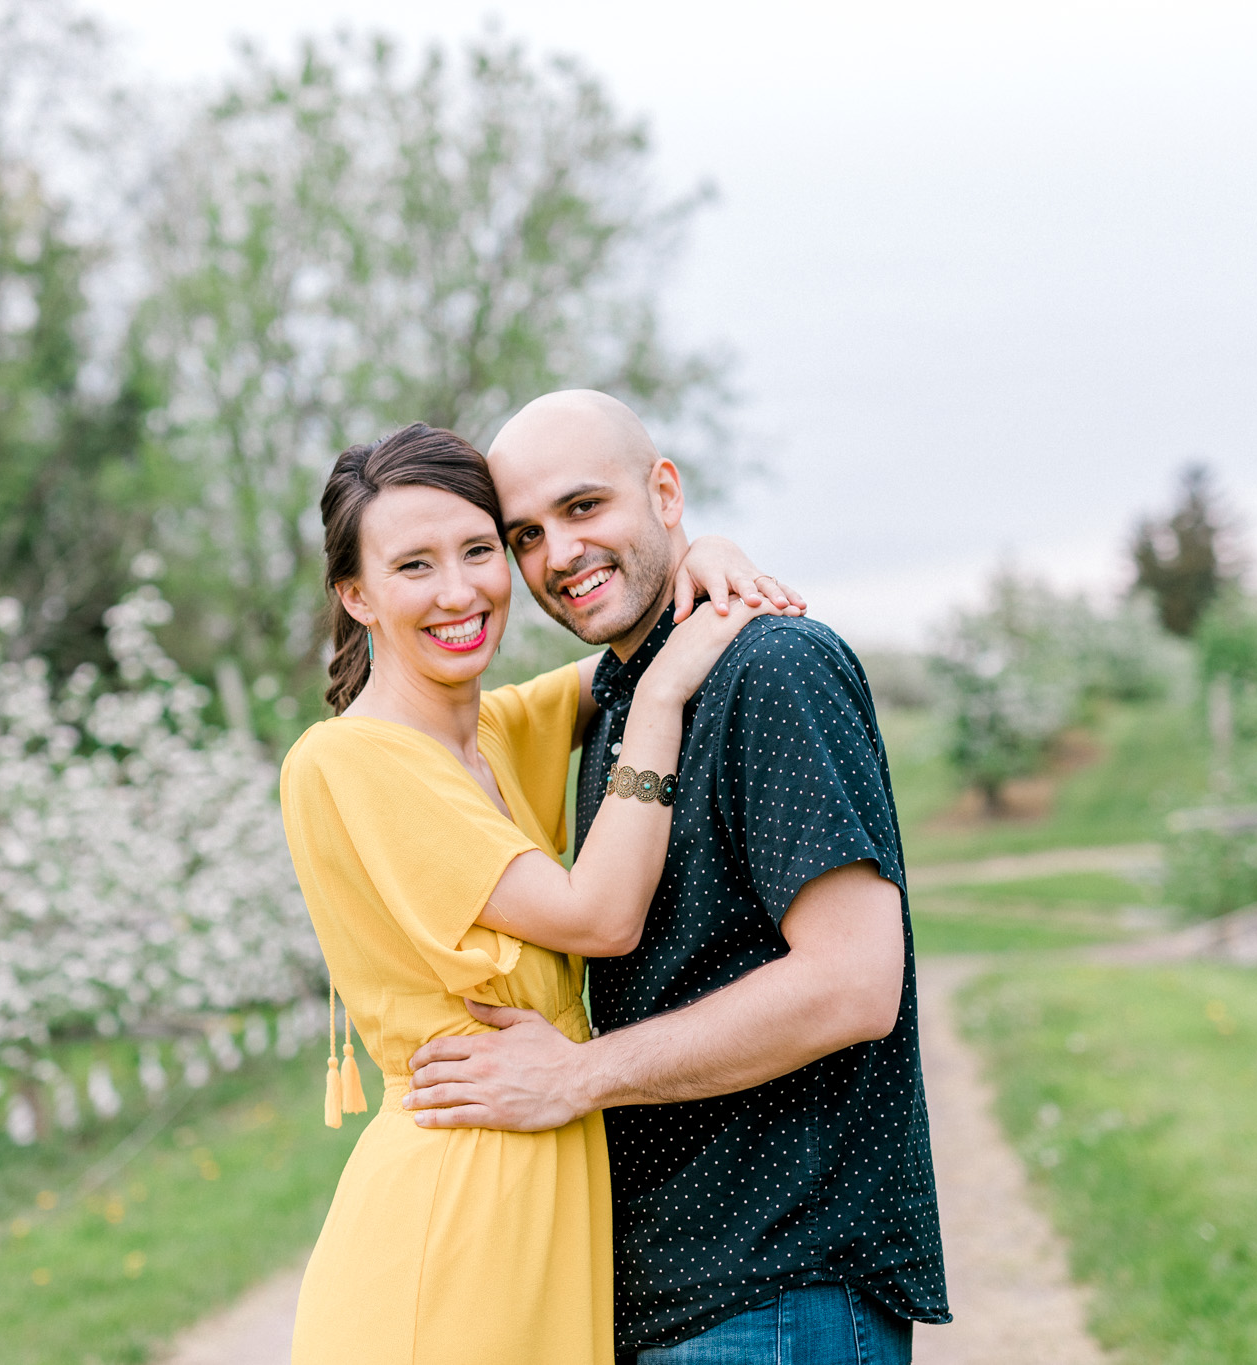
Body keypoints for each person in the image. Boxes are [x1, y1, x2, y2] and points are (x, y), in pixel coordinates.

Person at [402, 391, 950, 1364]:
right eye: (525, 535)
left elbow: (851, 983)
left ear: (663, 490)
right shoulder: (620, 699)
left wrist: (575, 1077)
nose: (558, 556)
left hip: (780, 1283)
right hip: (666, 1290)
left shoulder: (771, 667)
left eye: (583, 509)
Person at [280, 421, 801, 1364]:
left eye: (480, 549)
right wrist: (657, 707)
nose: (459, 590)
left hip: (548, 1202)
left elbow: (648, 630)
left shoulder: (494, 732)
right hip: (454, 1217)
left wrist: (707, 551)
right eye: (413, 566)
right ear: (356, 594)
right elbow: (599, 917)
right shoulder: (353, 759)